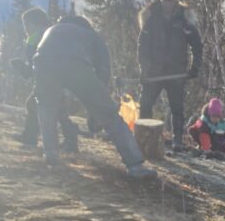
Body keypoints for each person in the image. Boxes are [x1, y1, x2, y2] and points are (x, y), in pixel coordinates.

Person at [33, 15, 150, 177]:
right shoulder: (92, 35)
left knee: (46, 106)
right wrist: (98, 110)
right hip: (76, 64)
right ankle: (135, 165)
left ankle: (51, 154)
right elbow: (103, 73)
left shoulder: (51, 30)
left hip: (43, 62)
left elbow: (37, 54)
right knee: (110, 116)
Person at [137, 0, 203, 151]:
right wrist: (144, 68)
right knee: (145, 104)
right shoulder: (150, 16)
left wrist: (195, 66)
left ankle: (177, 141)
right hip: (154, 71)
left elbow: (197, 44)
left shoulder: (184, 18)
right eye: (165, 0)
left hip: (176, 71)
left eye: (171, 1)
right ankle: (143, 138)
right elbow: (142, 46)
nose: (168, 4)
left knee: (177, 108)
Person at [11, 8, 80, 152]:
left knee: (52, 110)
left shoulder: (38, 38)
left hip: (51, 82)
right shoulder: (51, 34)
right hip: (58, 80)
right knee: (39, 106)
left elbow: (35, 66)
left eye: (27, 25)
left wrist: (23, 68)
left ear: (36, 24)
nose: (26, 29)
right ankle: (66, 139)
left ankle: (66, 140)